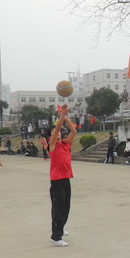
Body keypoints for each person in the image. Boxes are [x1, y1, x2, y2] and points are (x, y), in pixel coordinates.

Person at [49, 105, 77, 247]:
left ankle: (60, 227)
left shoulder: (66, 144)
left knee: (66, 206)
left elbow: (74, 131)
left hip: (66, 179)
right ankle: (56, 236)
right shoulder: (52, 146)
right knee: (58, 208)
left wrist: (65, 117)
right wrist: (61, 116)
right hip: (57, 181)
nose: (58, 133)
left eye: (60, 132)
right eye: (55, 132)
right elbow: (58, 128)